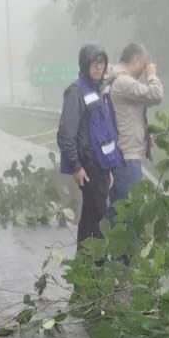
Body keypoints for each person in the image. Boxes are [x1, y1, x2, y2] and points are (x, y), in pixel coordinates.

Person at [57, 44, 123, 248]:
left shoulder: (99, 90)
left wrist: (108, 169)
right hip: (87, 166)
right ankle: (95, 261)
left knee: (91, 217)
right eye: (94, 63)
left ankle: (86, 262)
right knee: (97, 219)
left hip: (100, 165)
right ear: (85, 65)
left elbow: (104, 130)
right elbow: (66, 133)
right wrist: (76, 166)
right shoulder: (76, 92)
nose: (98, 67)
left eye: (101, 63)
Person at [109, 43, 164, 207]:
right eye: (144, 65)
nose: (144, 70)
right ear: (136, 60)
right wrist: (152, 76)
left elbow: (129, 116)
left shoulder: (116, 79)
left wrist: (145, 137)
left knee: (118, 213)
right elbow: (156, 95)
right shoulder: (123, 82)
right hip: (127, 158)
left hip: (121, 155)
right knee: (132, 212)